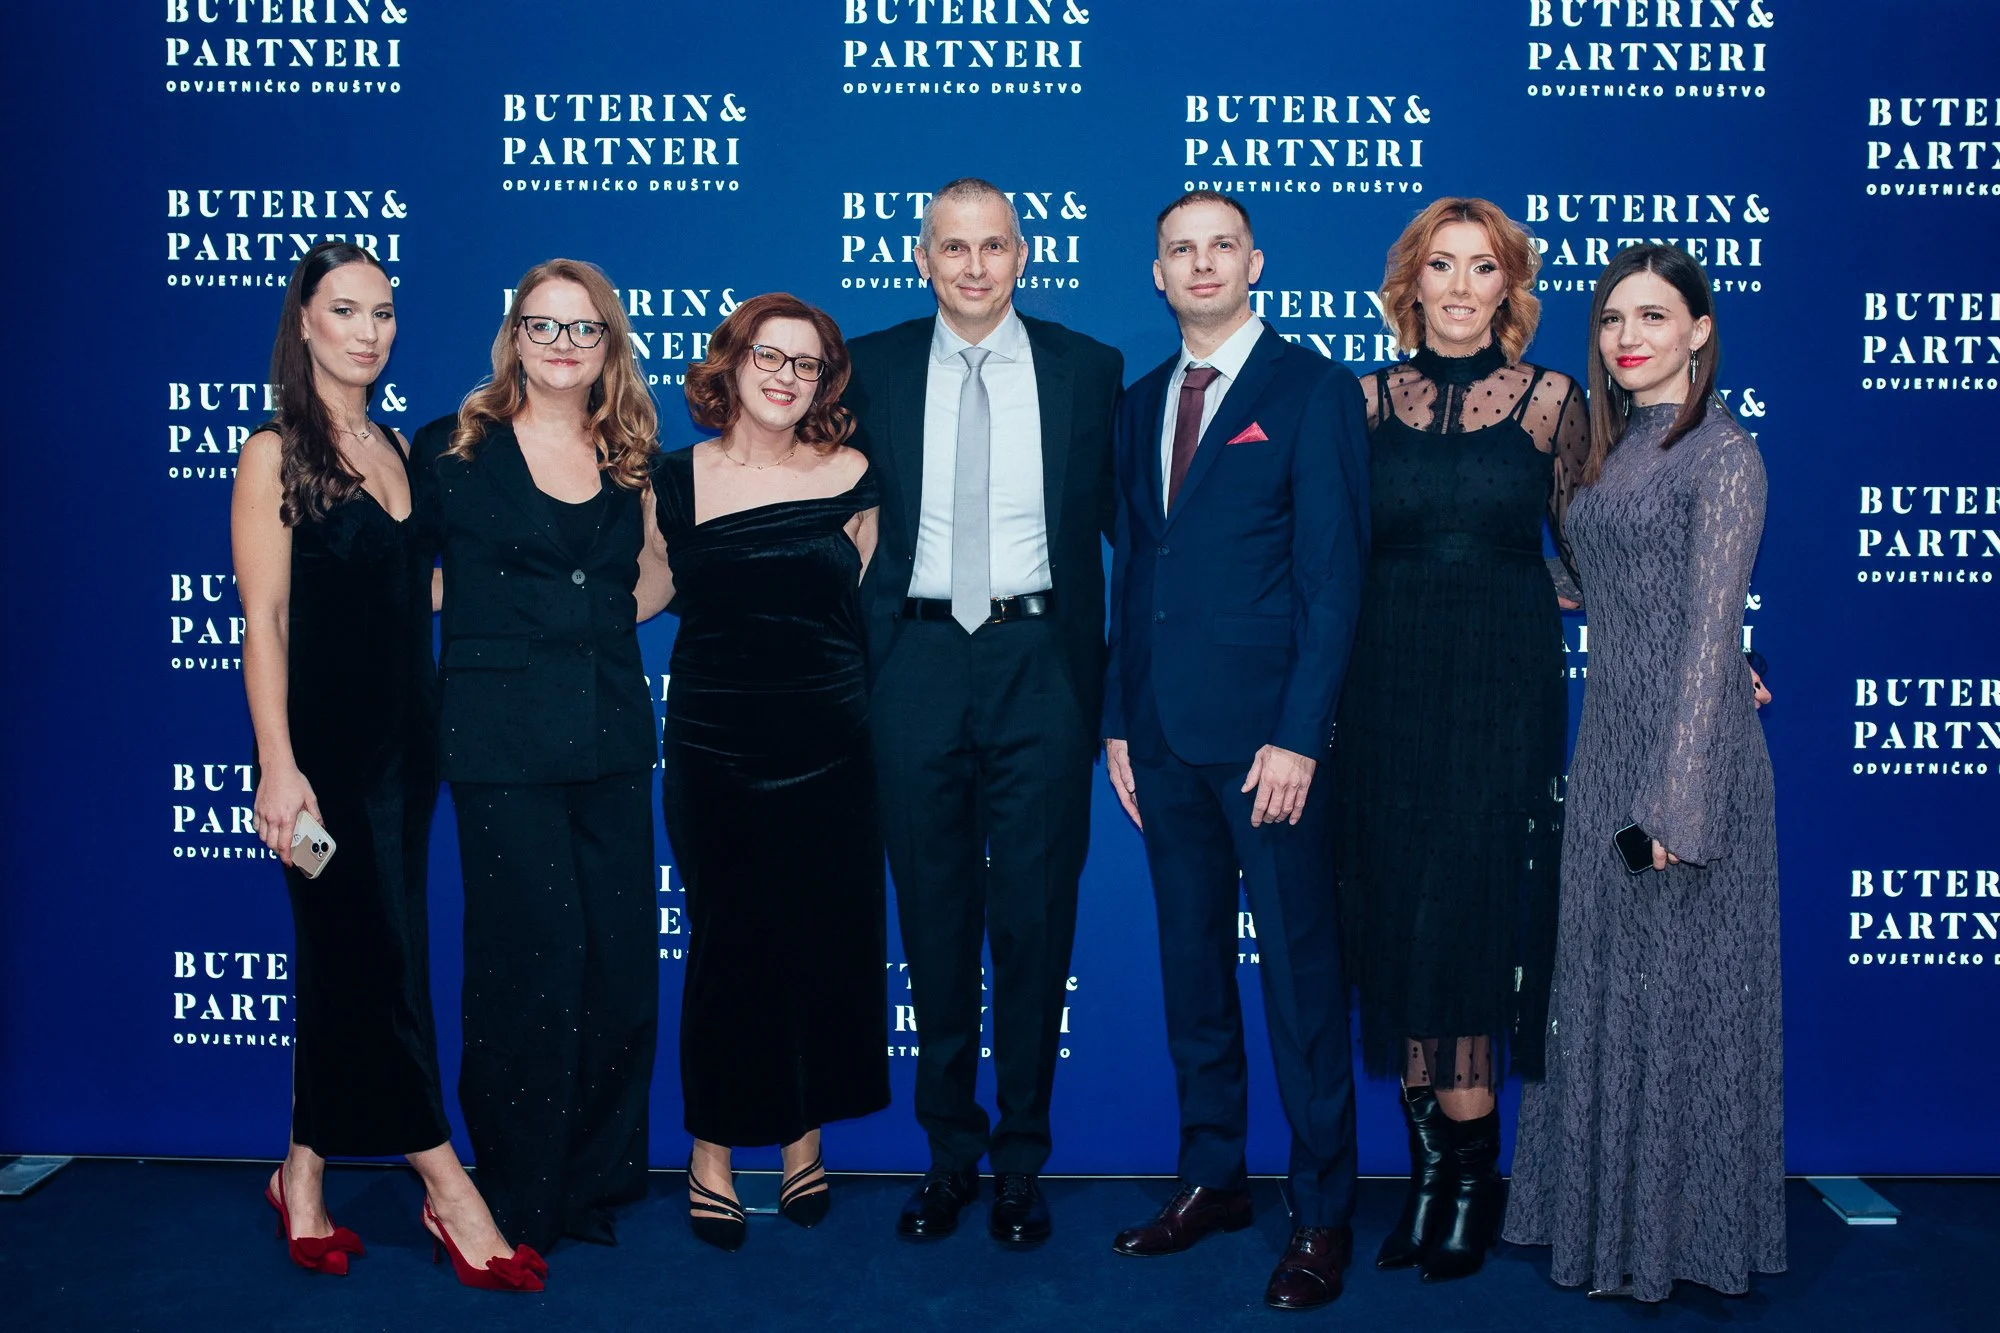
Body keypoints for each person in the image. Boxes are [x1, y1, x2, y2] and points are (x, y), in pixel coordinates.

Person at [232, 241, 541, 1290]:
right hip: (318, 768)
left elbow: (413, 597)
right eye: (346, 311)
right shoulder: (275, 451)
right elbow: (265, 619)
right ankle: (449, 1188)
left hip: (408, 757)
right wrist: (278, 767)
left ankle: (300, 1179)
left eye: (384, 313)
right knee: (376, 964)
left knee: (348, 961)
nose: (369, 331)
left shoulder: (403, 449)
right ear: (304, 322)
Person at [1102, 191, 1371, 1311]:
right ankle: (1210, 1177)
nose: (1200, 263)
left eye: (1220, 245)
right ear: (1155, 274)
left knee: (1300, 984)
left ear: (1253, 263)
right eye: (1179, 249)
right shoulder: (1135, 404)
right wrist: (1118, 718)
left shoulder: (1312, 390)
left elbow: (1333, 578)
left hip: (1270, 749)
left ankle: (1319, 1215)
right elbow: (1140, 579)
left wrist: (1298, 736)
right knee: (1189, 974)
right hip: (1160, 737)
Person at [843, 177, 1124, 1245]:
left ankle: (1019, 1163)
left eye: (991, 246)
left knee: (1035, 923)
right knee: (934, 924)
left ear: (1021, 255)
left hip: (1038, 662)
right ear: (920, 257)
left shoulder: (1086, 370)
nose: (972, 266)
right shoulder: (864, 365)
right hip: (911, 660)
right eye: (951, 247)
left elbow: (1127, 535)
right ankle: (947, 1157)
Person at [1503, 245, 1783, 1303]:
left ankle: (1682, 1242)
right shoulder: (1600, 456)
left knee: (1684, 1002)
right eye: (1613, 318)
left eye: (1654, 317)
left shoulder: (1722, 455)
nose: (1628, 337)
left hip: (1687, 764)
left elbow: (1712, 630)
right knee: (1603, 994)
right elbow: (1578, 579)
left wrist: (1674, 804)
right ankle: (1598, 1219)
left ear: (1698, 331)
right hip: (1607, 739)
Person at [1330, 198, 1589, 1282]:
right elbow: (1322, 553)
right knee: (1398, 916)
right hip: (1384, 691)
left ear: (1507, 287)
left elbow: (1596, 553)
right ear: (1410, 283)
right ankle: (1428, 1175)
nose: (1456, 286)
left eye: (1480, 268)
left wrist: (1711, 652)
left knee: (1474, 918)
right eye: (1438, 265)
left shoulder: (1552, 402)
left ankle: (1469, 1185)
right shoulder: (1358, 402)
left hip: (1499, 692)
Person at [411, 258, 667, 1259]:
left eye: (583, 328)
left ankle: (596, 1179)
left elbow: (649, 582)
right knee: (528, 966)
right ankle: (518, 1185)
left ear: (610, 344)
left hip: (608, 734)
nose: (562, 345)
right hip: (500, 742)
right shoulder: (452, 449)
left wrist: (583, 622)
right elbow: (394, 579)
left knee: (614, 965)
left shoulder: (630, 459)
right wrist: (487, 621)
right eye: (542, 326)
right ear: (513, 337)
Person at [650, 294, 888, 1250]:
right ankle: (711, 1151)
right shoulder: (670, 478)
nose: (786, 375)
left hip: (832, 746)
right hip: (715, 748)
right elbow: (636, 592)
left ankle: (800, 1141)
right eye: (769, 355)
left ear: (825, 379)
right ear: (732, 363)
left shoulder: (859, 475)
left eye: (807, 362)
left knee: (822, 942)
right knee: (726, 946)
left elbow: (862, 606)